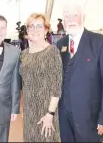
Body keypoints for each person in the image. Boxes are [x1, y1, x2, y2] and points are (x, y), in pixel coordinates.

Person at [57, 2, 103, 142]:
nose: (70, 19)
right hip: (64, 119)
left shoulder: (101, 43)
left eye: (75, 15)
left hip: (90, 119)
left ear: (82, 17)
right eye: (67, 16)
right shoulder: (60, 45)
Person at [20, 13, 62, 142]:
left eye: (39, 26)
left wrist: (50, 114)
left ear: (46, 30)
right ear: (27, 30)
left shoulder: (52, 52)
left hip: (46, 110)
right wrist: (24, 108)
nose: (35, 29)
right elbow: (25, 83)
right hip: (29, 110)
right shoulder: (24, 54)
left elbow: (56, 86)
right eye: (31, 26)